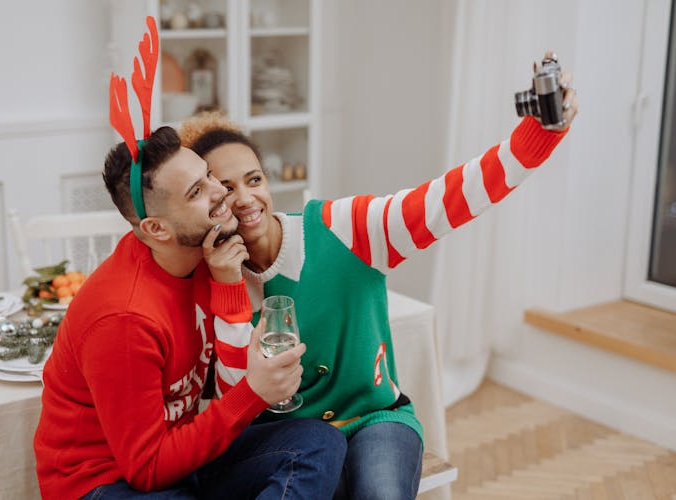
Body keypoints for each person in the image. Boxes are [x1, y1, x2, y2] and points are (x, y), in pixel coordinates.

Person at [178, 54, 579, 499]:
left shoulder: (344, 229)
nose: (246, 198)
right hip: (290, 444)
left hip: (377, 421)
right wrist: (227, 282)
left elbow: (448, 200)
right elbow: (234, 399)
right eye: (226, 189)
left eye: (254, 180)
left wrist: (537, 137)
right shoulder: (213, 275)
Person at [33, 16, 346, 500]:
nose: (224, 193)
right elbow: (148, 470)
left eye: (208, 175)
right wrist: (252, 395)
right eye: (200, 190)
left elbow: (220, 389)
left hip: (185, 453)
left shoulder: (206, 254)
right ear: (155, 228)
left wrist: (225, 279)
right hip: (107, 484)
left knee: (318, 442)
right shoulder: (123, 318)